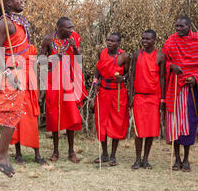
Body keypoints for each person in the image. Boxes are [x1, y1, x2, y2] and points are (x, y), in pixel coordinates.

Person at [0, 0, 43, 177]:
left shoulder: (16, 22)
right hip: (11, 72)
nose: (22, 1)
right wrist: (8, 73)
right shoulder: (6, 23)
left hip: (20, 71)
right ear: (9, 3)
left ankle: (2, 155)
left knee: (15, 113)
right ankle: (0, 155)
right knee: (11, 113)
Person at [40, 17, 88, 163]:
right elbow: (40, 59)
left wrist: (75, 48)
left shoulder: (73, 40)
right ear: (59, 27)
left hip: (68, 81)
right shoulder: (48, 39)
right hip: (52, 82)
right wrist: (53, 58)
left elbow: (79, 59)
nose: (71, 30)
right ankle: (55, 152)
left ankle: (71, 152)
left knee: (71, 116)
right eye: (68, 28)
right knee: (54, 116)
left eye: (72, 27)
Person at [162, 16, 198, 172]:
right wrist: (172, 65)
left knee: (189, 123)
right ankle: (177, 159)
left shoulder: (197, 41)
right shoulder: (170, 42)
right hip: (174, 87)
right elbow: (163, 61)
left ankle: (186, 159)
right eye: (176, 26)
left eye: (181, 26)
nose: (178, 29)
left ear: (189, 26)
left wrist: (195, 78)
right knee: (174, 123)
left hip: (190, 90)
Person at [129, 30, 166, 170]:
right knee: (138, 130)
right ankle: (137, 159)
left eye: (148, 39)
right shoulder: (137, 54)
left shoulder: (160, 56)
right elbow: (132, 75)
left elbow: (162, 78)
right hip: (139, 96)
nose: (144, 41)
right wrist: (131, 95)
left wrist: (162, 99)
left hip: (154, 97)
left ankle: (146, 159)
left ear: (154, 40)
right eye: (143, 38)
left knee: (150, 130)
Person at [94, 33, 130, 166]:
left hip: (118, 92)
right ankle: (104, 154)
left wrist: (124, 78)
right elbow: (98, 68)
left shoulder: (124, 56)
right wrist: (95, 81)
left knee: (117, 122)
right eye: (108, 40)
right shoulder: (101, 52)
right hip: (103, 91)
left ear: (119, 43)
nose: (109, 43)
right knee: (101, 121)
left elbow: (127, 73)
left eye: (113, 41)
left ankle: (113, 155)